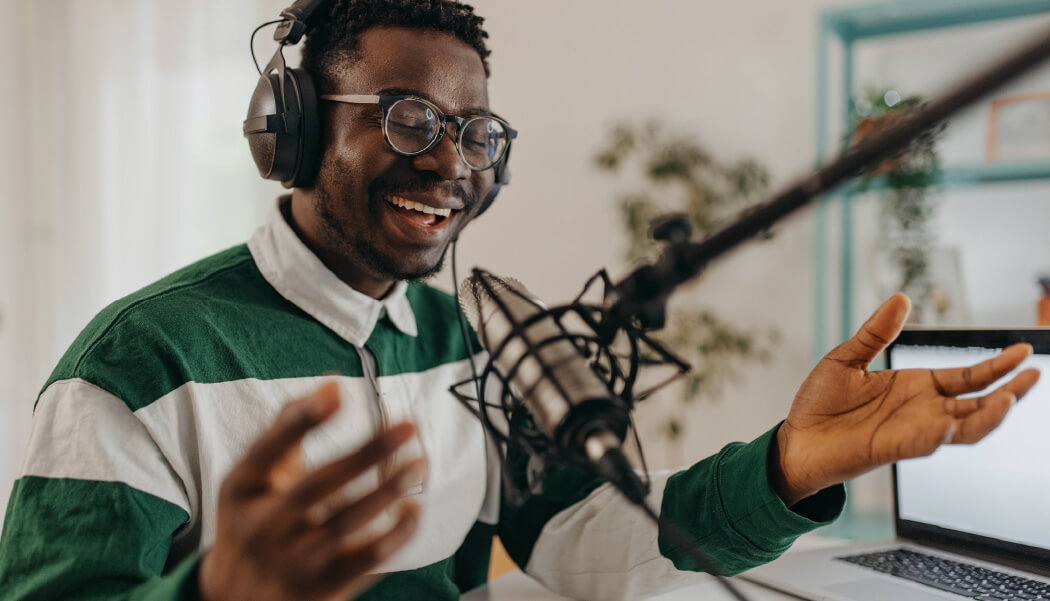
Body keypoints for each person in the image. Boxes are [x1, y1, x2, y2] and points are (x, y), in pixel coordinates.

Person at [0, 2, 1040, 601]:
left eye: (478, 132)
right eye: (410, 119)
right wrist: (216, 593)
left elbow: (593, 546)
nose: (453, 163)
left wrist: (786, 469)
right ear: (299, 129)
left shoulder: (465, 343)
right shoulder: (138, 364)